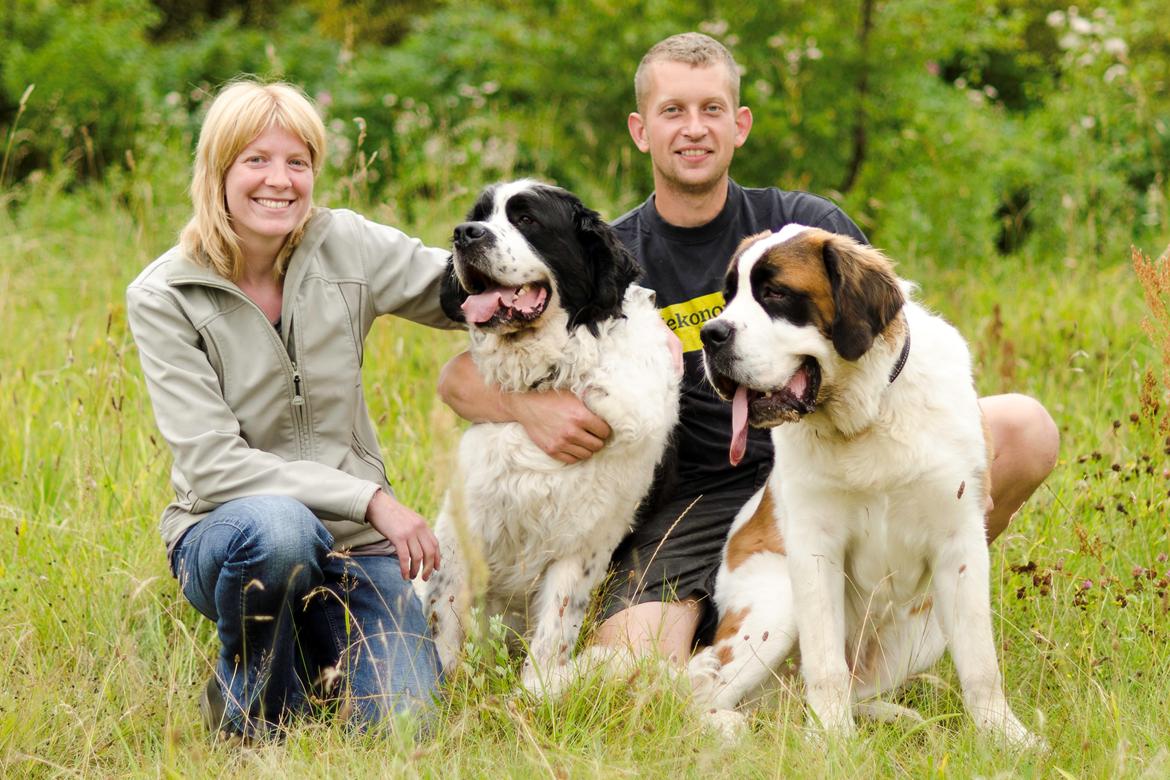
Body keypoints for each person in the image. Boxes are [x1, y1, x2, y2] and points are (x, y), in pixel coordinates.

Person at [438, 33, 1060, 664]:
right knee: (626, 673)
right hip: (691, 501)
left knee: (1023, 428)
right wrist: (526, 408)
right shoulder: (607, 256)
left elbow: (897, 346)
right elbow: (460, 377)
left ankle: (891, 627)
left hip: (830, 463)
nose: (694, 129)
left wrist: (969, 450)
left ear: (740, 126)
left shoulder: (801, 224)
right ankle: (734, 633)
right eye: (672, 111)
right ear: (639, 129)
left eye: (712, 110)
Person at [127, 80, 452, 740]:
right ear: (217, 171)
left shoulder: (347, 246)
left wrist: (571, 261)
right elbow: (215, 467)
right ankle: (253, 713)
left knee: (406, 729)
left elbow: (461, 288)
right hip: (232, 536)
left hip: (357, 550)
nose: (280, 181)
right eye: (256, 160)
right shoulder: (166, 294)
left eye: (297, 162)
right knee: (280, 530)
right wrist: (371, 499)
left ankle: (304, 651)